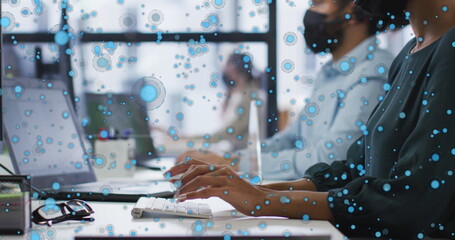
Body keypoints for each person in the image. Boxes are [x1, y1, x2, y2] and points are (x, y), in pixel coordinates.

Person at [165, 0, 455, 238]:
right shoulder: (407, 55)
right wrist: (246, 188)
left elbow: (408, 200)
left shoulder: (446, 54)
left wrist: (261, 200)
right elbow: (354, 168)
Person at [175, 0, 396, 180]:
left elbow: (332, 159)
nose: (310, 12)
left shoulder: (374, 72)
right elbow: (292, 138)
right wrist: (228, 159)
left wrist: (233, 163)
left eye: (319, 3)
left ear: (353, 12)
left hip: (336, 215)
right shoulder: (329, 73)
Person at [185, 52, 265, 151]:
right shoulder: (239, 95)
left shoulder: (251, 97)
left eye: (228, 70)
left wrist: (192, 138)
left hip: (245, 155)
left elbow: (230, 131)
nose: (225, 74)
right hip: (239, 152)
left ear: (236, 72)